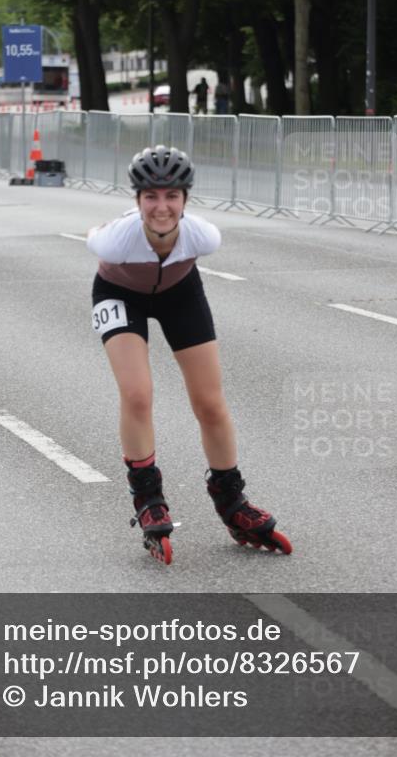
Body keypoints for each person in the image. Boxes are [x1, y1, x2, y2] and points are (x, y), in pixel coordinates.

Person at [86, 144, 291, 565]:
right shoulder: (114, 241)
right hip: (120, 294)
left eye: (172, 196)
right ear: (137, 200)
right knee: (137, 393)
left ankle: (232, 500)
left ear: (186, 199)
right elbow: (97, 237)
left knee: (210, 401)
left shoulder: (204, 236)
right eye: (150, 196)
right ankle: (148, 497)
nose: (161, 207)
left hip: (180, 293)